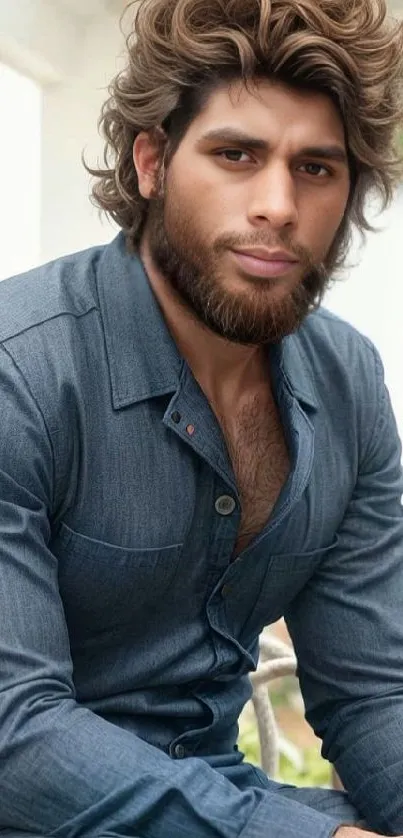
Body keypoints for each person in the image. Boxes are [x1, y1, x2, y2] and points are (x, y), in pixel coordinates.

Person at [1, 0, 403, 836]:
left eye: (316, 169)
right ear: (151, 162)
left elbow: (372, 691)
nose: (277, 205)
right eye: (236, 155)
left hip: (223, 801)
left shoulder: (349, 382)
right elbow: (16, 735)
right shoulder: (20, 372)